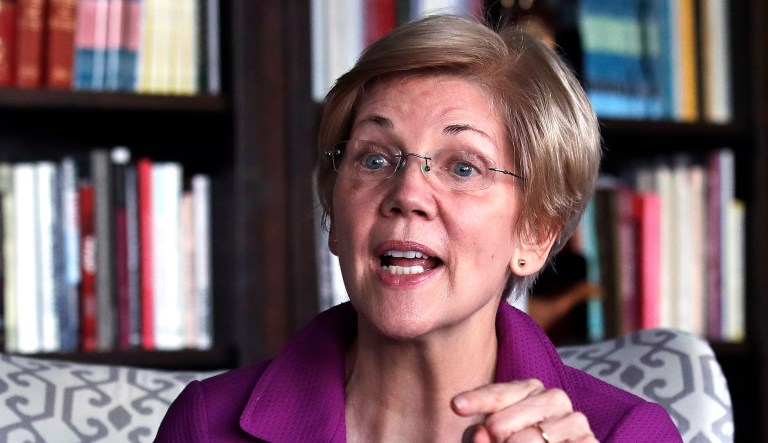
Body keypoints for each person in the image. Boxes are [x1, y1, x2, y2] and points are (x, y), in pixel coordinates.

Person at [155, 14, 682, 443]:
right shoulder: (206, 424)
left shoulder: (627, 434)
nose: (407, 193)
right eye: (375, 159)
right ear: (334, 217)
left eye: (463, 167)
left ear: (535, 234)